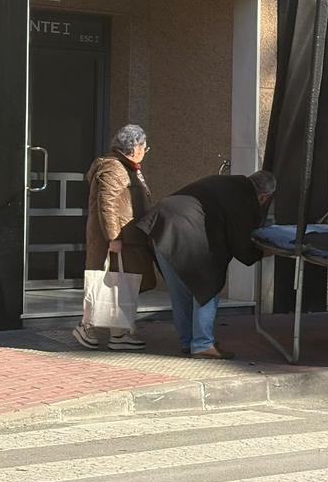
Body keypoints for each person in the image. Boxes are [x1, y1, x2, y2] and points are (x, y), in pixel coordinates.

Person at [137, 171, 276, 359]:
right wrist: (265, 252)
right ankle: (202, 344)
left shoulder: (228, 182)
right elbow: (241, 245)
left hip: (160, 226)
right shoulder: (244, 198)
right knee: (208, 286)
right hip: (185, 232)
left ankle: (187, 341)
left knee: (180, 292)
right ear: (264, 197)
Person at [74, 125, 157, 351]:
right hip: (116, 240)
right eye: (144, 147)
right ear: (135, 147)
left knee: (120, 286)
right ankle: (89, 328)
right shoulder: (115, 168)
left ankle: (119, 333)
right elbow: (106, 205)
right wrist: (114, 237)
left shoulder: (123, 167)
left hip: (125, 239)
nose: (144, 151)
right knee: (109, 284)